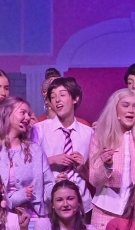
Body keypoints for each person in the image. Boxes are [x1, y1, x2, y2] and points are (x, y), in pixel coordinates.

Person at [86, 88, 135, 230]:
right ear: (115, 109)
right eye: (125, 105)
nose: (131, 110)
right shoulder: (99, 137)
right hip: (105, 212)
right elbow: (94, 180)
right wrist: (107, 165)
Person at [0, 98, 51, 216]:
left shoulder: (36, 151)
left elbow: (48, 184)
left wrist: (58, 189)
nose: (28, 117)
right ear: (7, 114)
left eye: (28, 114)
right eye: (23, 112)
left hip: (33, 217)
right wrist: (18, 197)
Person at [34, 76, 93, 205]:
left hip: (82, 204)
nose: (57, 100)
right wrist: (51, 160)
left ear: (75, 98)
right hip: (51, 201)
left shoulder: (88, 133)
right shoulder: (39, 129)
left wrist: (82, 168)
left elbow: (95, 178)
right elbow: (28, 167)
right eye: (53, 97)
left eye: (62, 95)